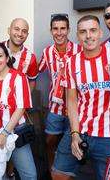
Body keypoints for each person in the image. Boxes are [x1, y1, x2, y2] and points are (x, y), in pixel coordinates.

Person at [51, 15, 110, 180]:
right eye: (83, 32)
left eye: (92, 30)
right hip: (80, 130)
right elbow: (71, 101)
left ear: (100, 32)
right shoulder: (71, 63)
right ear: (77, 36)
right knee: (58, 174)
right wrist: (75, 134)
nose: (88, 36)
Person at [0, 42, 37, 180]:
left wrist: (5, 133)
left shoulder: (19, 77)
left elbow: (22, 106)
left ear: (7, 58)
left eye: (0, 56)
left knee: (29, 175)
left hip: (15, 131)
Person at [38, 13, 82, 171]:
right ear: (51, 31)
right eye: (55, 29)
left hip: (75, 108)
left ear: (68, 30)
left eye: (63, 28)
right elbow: (34, 71)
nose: (59, 32)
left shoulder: (79, 50)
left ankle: (67, 173)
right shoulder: (47, 52)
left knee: (73, 144)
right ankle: (51, 171)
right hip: (55, 107)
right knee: (50, 142)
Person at [2, 18, 38, 92]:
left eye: (24, 31)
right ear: (9, 30)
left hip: (17, 103)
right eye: (16, 29)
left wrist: (25, 99)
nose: (20, 34)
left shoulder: (31, 57)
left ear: (27, 35)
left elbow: (32, 81)